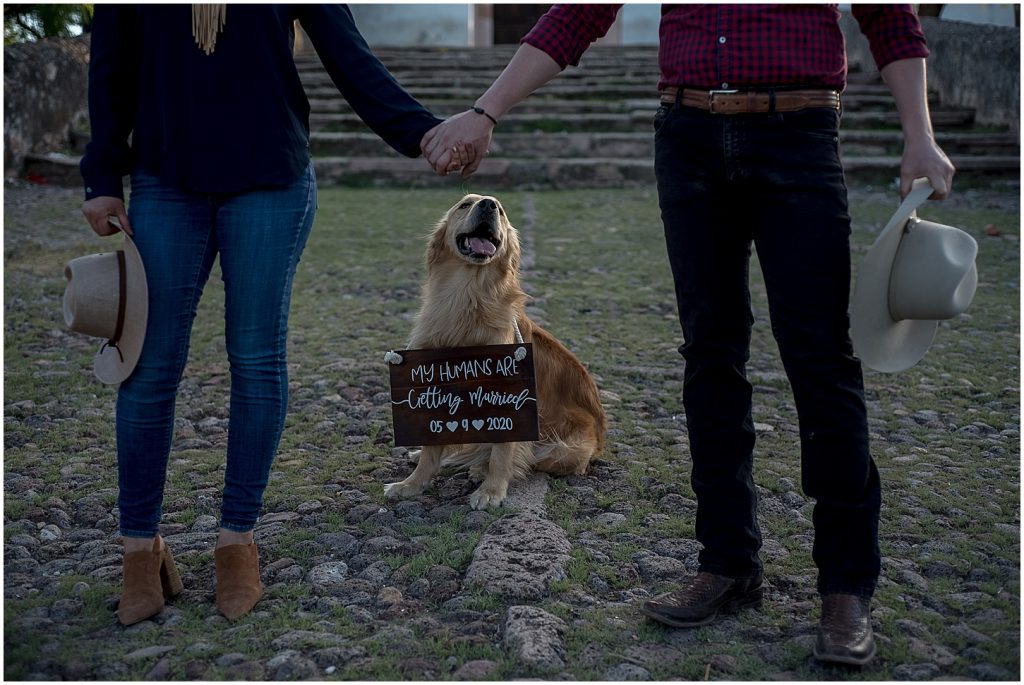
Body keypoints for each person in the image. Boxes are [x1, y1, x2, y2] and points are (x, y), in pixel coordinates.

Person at [422, 4, 954, 666]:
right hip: (689, 136)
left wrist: (919, 134)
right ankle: (727, 560)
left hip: (798, 132)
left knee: (821, 359)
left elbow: (889, 16)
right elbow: (581, 13)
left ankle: (845, 585)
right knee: (709, 354)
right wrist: (486, 110)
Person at [80, 4, 464, 625]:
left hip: (269, 180)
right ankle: (138, 550)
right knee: (147, 369)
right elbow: (112, 64)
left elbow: (348, 54)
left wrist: (422, 133)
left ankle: (237, 541)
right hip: (165, 179)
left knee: (256, 361)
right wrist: (101, 174)